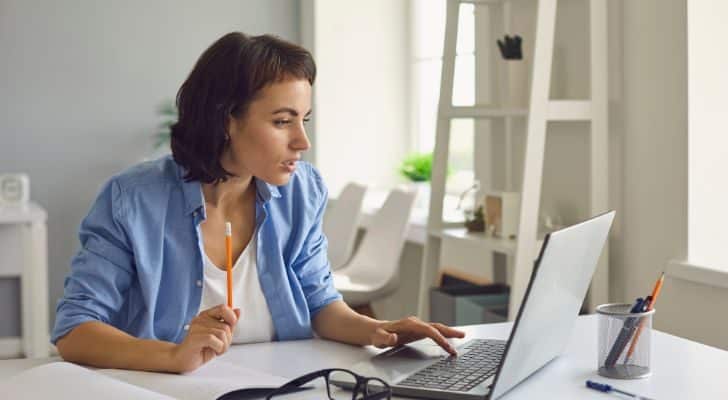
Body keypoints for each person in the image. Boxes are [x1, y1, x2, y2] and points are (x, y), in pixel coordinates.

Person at [52, 32, 465, 373]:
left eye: (304, 120)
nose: (302, 141)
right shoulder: (133, 199)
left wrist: (381, 330)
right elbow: (75, 330)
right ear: (226, 119)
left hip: (281, 384)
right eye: (282, 121)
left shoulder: (302, 189)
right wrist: (172, 356)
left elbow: (320, 304)